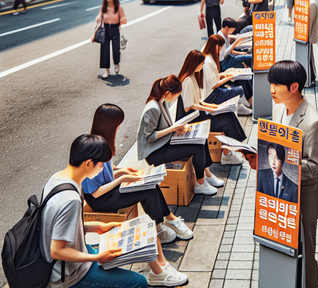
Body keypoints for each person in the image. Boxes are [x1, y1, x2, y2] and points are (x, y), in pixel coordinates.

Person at [84, 105, 190, 287]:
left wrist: (123, 171)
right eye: (117, 125)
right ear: (109, 125)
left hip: (108, 190)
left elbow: (108, 172)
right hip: (101, 199)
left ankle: (162, 226)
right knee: (147, 190)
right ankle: (160, 232)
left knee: (150, 184)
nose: (119, 128)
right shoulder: (94, 148)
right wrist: (122, 178)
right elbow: (94, 191)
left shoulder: (102, 142)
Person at [41, 134, 148, 288]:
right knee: (139, 282)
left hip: (71, 256)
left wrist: (95, 227)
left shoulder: (58, 179)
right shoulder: (70, 199)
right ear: (89, 163)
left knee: (117, 254)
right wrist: (98, 257)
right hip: (68, 275)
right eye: (102, 164)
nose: (104, 168)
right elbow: (56, 251)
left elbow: (58, 227)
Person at [265, 61, 318, 288]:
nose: (271, 89)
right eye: (270, 83)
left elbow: (315, 166)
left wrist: (283, 166)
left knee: (306, 255)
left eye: (276, 84)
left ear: (294, 87)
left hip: (304, 200)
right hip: (278, 196)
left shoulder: (314, 122)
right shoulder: (278, 108)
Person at [138, 75, 223, 198]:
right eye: (176, 96)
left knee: (201, 140)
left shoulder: (161, 102)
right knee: (197, 147)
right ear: (167, 93)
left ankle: (206, 174)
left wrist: (176, 130)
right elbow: (150, 137)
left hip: (163, 144)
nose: (175, 99)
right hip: (155, 153)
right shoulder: (153, 108)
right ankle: (201, 183)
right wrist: (173, 129)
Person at [177, 50, 247, 159]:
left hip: (199, 115)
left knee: (229, 115)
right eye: (201, 64)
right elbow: (189, 106)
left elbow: (197, 101)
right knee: (227, 120)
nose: (202, 66)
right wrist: (211, 109)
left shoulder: (192, 77)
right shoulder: (187, 81)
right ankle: (229, 153)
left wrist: (212, 106)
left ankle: (231, 150)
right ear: (195, 64)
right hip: (194, 119)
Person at [202, 34, 252, 115]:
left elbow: (213, 78)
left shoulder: (210, 58)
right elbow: (213, 85)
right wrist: (228, 78)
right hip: (213, 95)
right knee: (239, 89)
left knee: (243, 79)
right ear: (216, 46)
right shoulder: (209, 62)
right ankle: (242, 105)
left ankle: (247, 103)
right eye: (221, 47)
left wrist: (223, 75)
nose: (221, 50)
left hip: (213, 91)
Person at [91, 0, 127, 78]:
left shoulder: (118, 7)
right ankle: (106, 70)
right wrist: (98, 18)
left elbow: (124, 19)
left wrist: (123, 20)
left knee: (116, 49)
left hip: (115, 29)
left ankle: (116, 63)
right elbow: (99, 16)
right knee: (104, 50)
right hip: (105, 29)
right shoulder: (103, 7)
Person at [304, 0, 318, 88]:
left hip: (309, 35)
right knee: (310, 57)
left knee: (308, 57)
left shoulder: (312, 3)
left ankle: (310, 79)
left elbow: (309, 22)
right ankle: (312, 77)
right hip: (310, 35)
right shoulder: (315, 1)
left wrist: (305, 36)